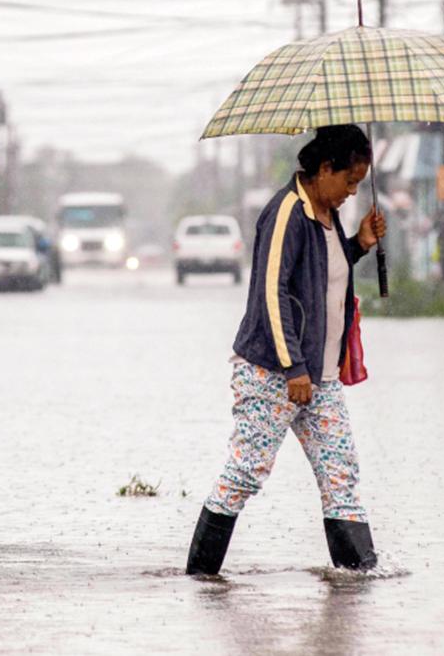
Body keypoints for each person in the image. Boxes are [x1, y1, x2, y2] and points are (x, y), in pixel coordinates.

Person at [186, 124, 386, 574]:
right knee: (245, 474)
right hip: (272, 373)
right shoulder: (287, 213)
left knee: (342, 478)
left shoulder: (328, 216)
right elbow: (271, 293)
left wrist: (359, 244)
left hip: (321, 378)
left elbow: (320, 277)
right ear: (324, 168)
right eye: (348, 181)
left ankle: (358, 583)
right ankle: (200, 579)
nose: (352, 193)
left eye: (359, 183)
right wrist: (293, 368)